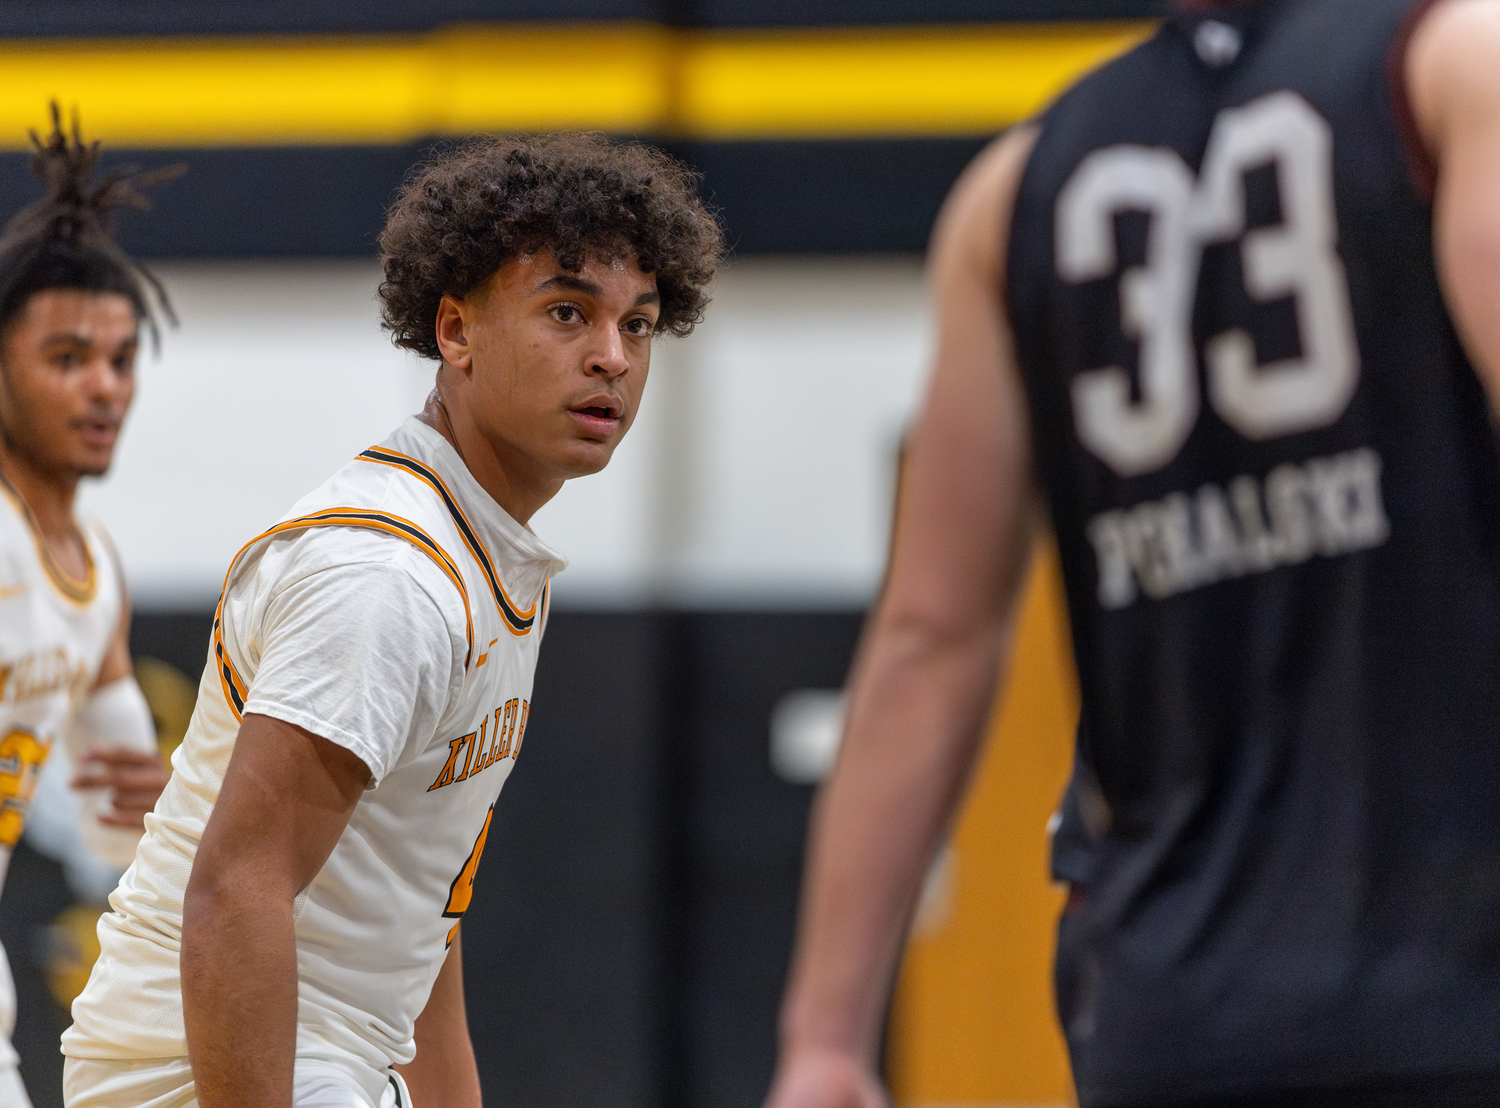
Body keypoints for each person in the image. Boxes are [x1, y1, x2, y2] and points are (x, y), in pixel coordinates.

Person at [765, 0, 1500, 1105]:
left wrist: (823, 1039)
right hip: (1452, 980)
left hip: (1169, 1016)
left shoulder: (1015, 190)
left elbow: (929, 636)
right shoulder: (1452, 64)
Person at [61, 132, 723, 1108]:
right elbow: (235, 891)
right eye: (568, 311)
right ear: (455, 330)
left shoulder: (485, 550)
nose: (611, 357)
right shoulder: (388, 576)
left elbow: (423, 914)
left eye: (639, 324)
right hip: (194, 1072)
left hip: (328, 1056)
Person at [0, 109, 177, 1108]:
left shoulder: (93, 570)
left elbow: (119, 832)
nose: (103, 385)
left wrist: (170, 804)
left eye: (119, 358)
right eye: (67, 357)